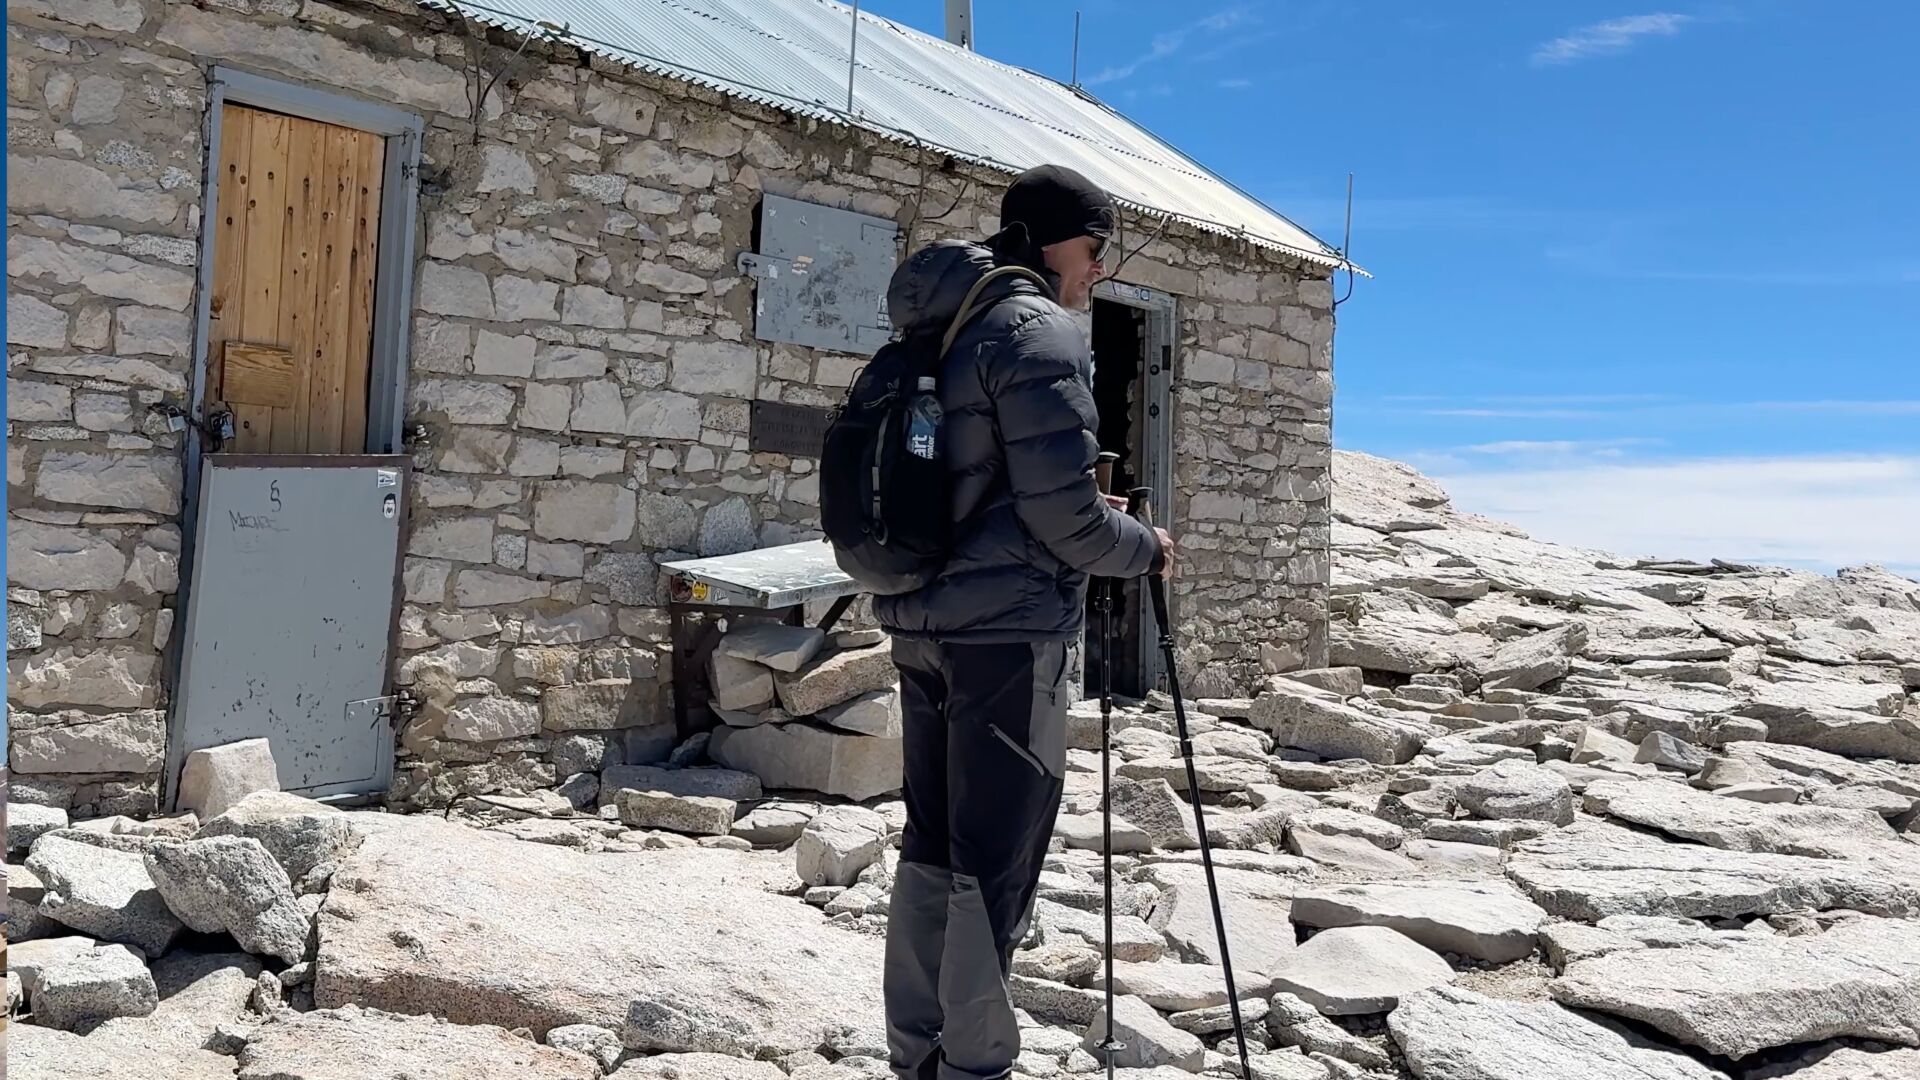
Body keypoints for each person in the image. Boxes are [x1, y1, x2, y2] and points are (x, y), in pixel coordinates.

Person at [875, 164, 1177, 1080]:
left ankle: (915, 1049)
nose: (1097, 272)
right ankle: (973, 1066)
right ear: (1054, 241)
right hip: (1007, 635)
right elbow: (1066, 519)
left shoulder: (943, 323)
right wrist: (1145, 546)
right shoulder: (1038, 330)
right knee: (992, 859)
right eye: (1094, 250)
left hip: (923, 618)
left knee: (931, 839)